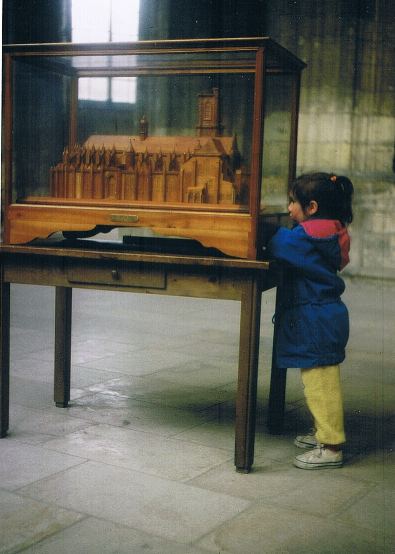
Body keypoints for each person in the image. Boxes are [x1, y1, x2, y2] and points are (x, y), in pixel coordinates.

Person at [266, 171, 354, 469]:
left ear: (312, 207)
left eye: (293, 202)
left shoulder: (305, 237)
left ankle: (331, 446)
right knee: (320, 379)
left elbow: (279, 244)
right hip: (326, 314)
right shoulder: (330, 232)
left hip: (315, 317)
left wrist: (268, 226)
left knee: (320, 384)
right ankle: (324, 432)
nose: (289, 209)